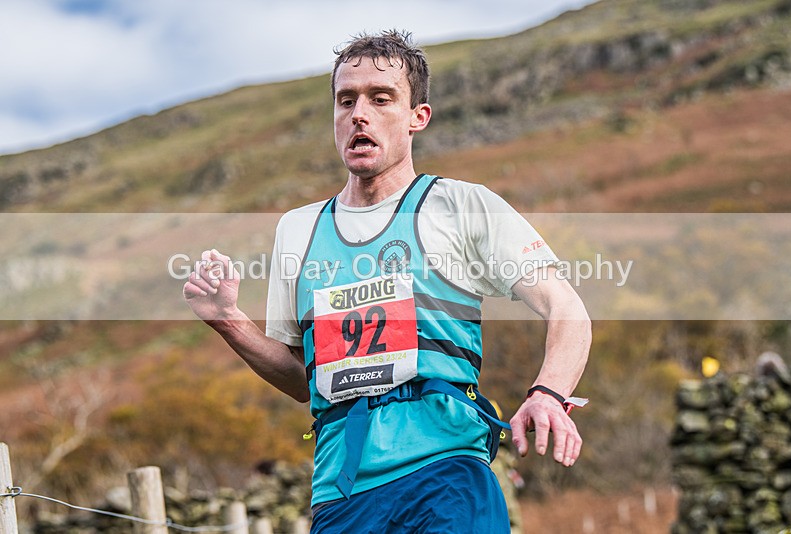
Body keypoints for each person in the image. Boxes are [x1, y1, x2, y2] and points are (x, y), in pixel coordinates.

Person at [183, 30, 591, 533]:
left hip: (445, 477)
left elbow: (567, 309)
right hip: (340, 492)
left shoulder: (459, 204)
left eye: (381, 99)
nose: (359, 113)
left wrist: (548, 393)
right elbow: (302, 378)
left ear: (417, 117)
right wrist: (230, 323)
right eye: (346, 100)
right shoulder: (298, 229)